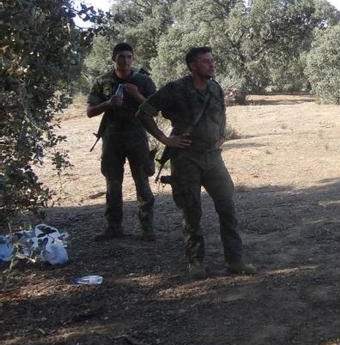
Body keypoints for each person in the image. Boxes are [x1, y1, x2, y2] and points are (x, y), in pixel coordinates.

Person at [136, 47, 256, 279]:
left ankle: (235, 260)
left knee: (228, 209)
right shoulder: (175, 88)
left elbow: (221, 113)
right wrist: (165, 139)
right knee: (192, 212)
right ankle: (195, 262)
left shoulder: (215, 87)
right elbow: (144, 112)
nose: (211, 65)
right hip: (186, 159)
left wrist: (221, 135)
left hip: (213, 158)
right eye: (205, 61)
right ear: (192, 65)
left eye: (212, 60)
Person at [86, 42, 157, 241]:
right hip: (112, 138)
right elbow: (90, 111)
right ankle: (114, 227)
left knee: (142, 183)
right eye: (121, 56)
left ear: (132, 59)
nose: (125, 60)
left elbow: (155, 110)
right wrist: (108, 104)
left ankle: (147, 228)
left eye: (128, 56)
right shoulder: (103, 82)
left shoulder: (143, 81)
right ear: (113, 58)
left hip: (136, 138)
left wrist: (136, 95)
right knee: (113, 185)